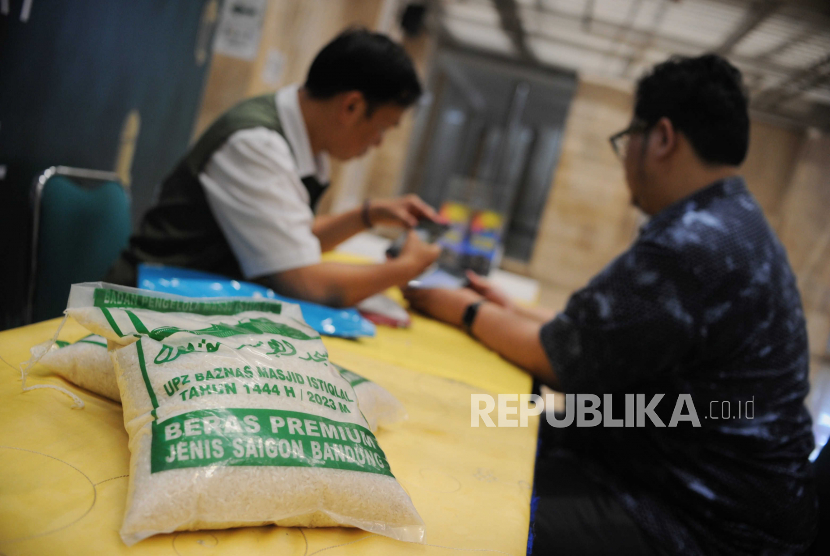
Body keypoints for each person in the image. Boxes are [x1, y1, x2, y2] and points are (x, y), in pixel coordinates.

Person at [405, 54, 818, 555]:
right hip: (689, 466)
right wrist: (507, 310)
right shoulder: (736, 222)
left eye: (628, 141)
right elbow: (609, 336)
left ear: (662, 138)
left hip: (706, 523)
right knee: (509, 428)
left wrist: (458, 309)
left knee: (473, 494)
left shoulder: (693, 243)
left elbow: (558, 360)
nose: (625, 160)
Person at [106, 28, 441, 307]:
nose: (378, 143)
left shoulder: (303, 139)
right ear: (352, 106)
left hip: (185, 304)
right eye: (383, 128)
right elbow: (307, 284)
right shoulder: (256, 144)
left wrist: (367, 215)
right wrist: (407, 267)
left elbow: (287, 242)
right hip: (141, 309)